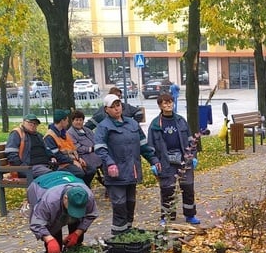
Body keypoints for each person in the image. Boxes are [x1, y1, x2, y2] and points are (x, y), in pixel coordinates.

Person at [95, 93, 161, 235]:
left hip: (132, 171)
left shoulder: (132, 124)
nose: (116, 109)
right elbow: (100, 148)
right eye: (112, 107)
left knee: (130, 203)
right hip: (116, 174)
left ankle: (128, 232)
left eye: (118, 105)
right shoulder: (103, 127)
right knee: (119, 205)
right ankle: (118, 235)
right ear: (106, 109)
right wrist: (110, 163)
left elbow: (143, 145)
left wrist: (153, 160)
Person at [147, 93, 200, 226]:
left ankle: (190, 215)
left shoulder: (181, 121)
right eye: (165, 103)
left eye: (170, 102)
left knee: (188, 187)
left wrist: (193, 156)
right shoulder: (155, 125)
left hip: (184, 160)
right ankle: (167, 216)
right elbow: (150, 146)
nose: (168, 105)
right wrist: (154, 162)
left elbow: (190, 141)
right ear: (160, 106)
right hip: (165, 162)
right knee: (167, 189)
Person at [27, 171, 98, 253]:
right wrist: (49, 239)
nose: (73, 212)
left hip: (66, 176)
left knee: (77, 220)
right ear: (65, 198)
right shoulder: (48, 202)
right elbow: (36, 224)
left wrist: (77, 233)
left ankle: (74, 249)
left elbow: (91, 215)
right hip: (39, 186)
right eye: (72, 207)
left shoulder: (88, 197)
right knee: (53, 227)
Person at [5, 114, 55, 178]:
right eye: (30, 123)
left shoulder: (39, 135)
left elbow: (47, 148)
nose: (33, 125)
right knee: (52, 176)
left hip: (45, 165)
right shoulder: (17, 133)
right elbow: (11, 153)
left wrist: (52, 156)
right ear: (23, 122)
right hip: (29, 167)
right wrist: (22, 167)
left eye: (35, 124)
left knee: (65, 172)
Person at [43, 109, 86, 180]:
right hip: (61, 165)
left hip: (70, 161)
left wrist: (79, 159)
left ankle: (84, 188)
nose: (68, 122)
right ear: (62, 121)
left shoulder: (63, 133)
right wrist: (73, 162)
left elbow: (73, 149)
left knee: (90, 169)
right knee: (80, 173)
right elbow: (57, 156)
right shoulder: (50, 136)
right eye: (67, 120)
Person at [67, 110, 102, 187]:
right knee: (92, 169)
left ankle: (110, 185)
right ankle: (85, 185)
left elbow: (95, 139)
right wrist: (90, 149)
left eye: (80, 120)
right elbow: (77, 148)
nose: (79, 122)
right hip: (84, 156)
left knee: (108, 162)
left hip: (96, 153)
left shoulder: (87, 130)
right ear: (72, 121)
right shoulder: (70, 133)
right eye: (76, 120)